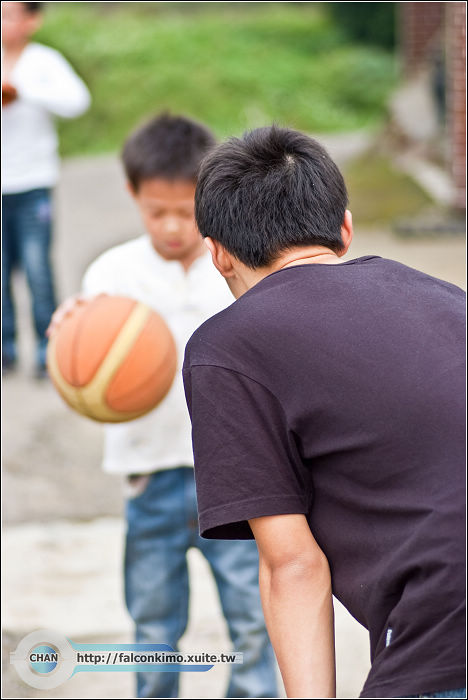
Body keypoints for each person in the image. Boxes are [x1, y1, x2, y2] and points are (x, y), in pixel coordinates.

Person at [182, 125, 466, 699]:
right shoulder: (449, 300)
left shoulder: (229, 348)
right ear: (345, 228)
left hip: (447, 641)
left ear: (217, 254)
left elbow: (292, 565)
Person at [48, 114, 279, 699]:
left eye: (185, 211)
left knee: (253, 618)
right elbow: (83, 353)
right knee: (153, 624)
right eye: (157, 212)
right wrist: (68, 341)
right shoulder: (112, 274)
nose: (173, 225)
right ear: (132, 194)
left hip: (234, 474)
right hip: (149, 475)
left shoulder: (239, 265)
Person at [2, 1, 91, 378]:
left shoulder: (43, 61)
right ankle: (6, 348)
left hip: (34, 184)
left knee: (37, 270)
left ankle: (46, 348)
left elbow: (77, 102)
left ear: (32, 20)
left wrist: (21, 91)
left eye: (9, 14)